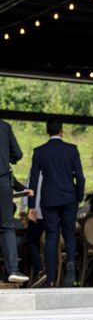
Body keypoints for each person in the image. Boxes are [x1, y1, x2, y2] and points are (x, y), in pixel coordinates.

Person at [28, 117, 85, 287]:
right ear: (62, 131)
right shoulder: (71, 150)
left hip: (49, 199)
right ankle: (70, 268)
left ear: (47, 131)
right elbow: (80, 177)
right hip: (69, 198)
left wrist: (32, 206)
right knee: (69, 233)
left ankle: (51, 278)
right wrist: (79, 197)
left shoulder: (40, 152)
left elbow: (33, 179)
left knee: (52, 236)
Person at [0, 118, 28, 283]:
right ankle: (13, 270)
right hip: (3, 182)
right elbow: (17, 153)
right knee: (7, 226)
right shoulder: (5, 127)